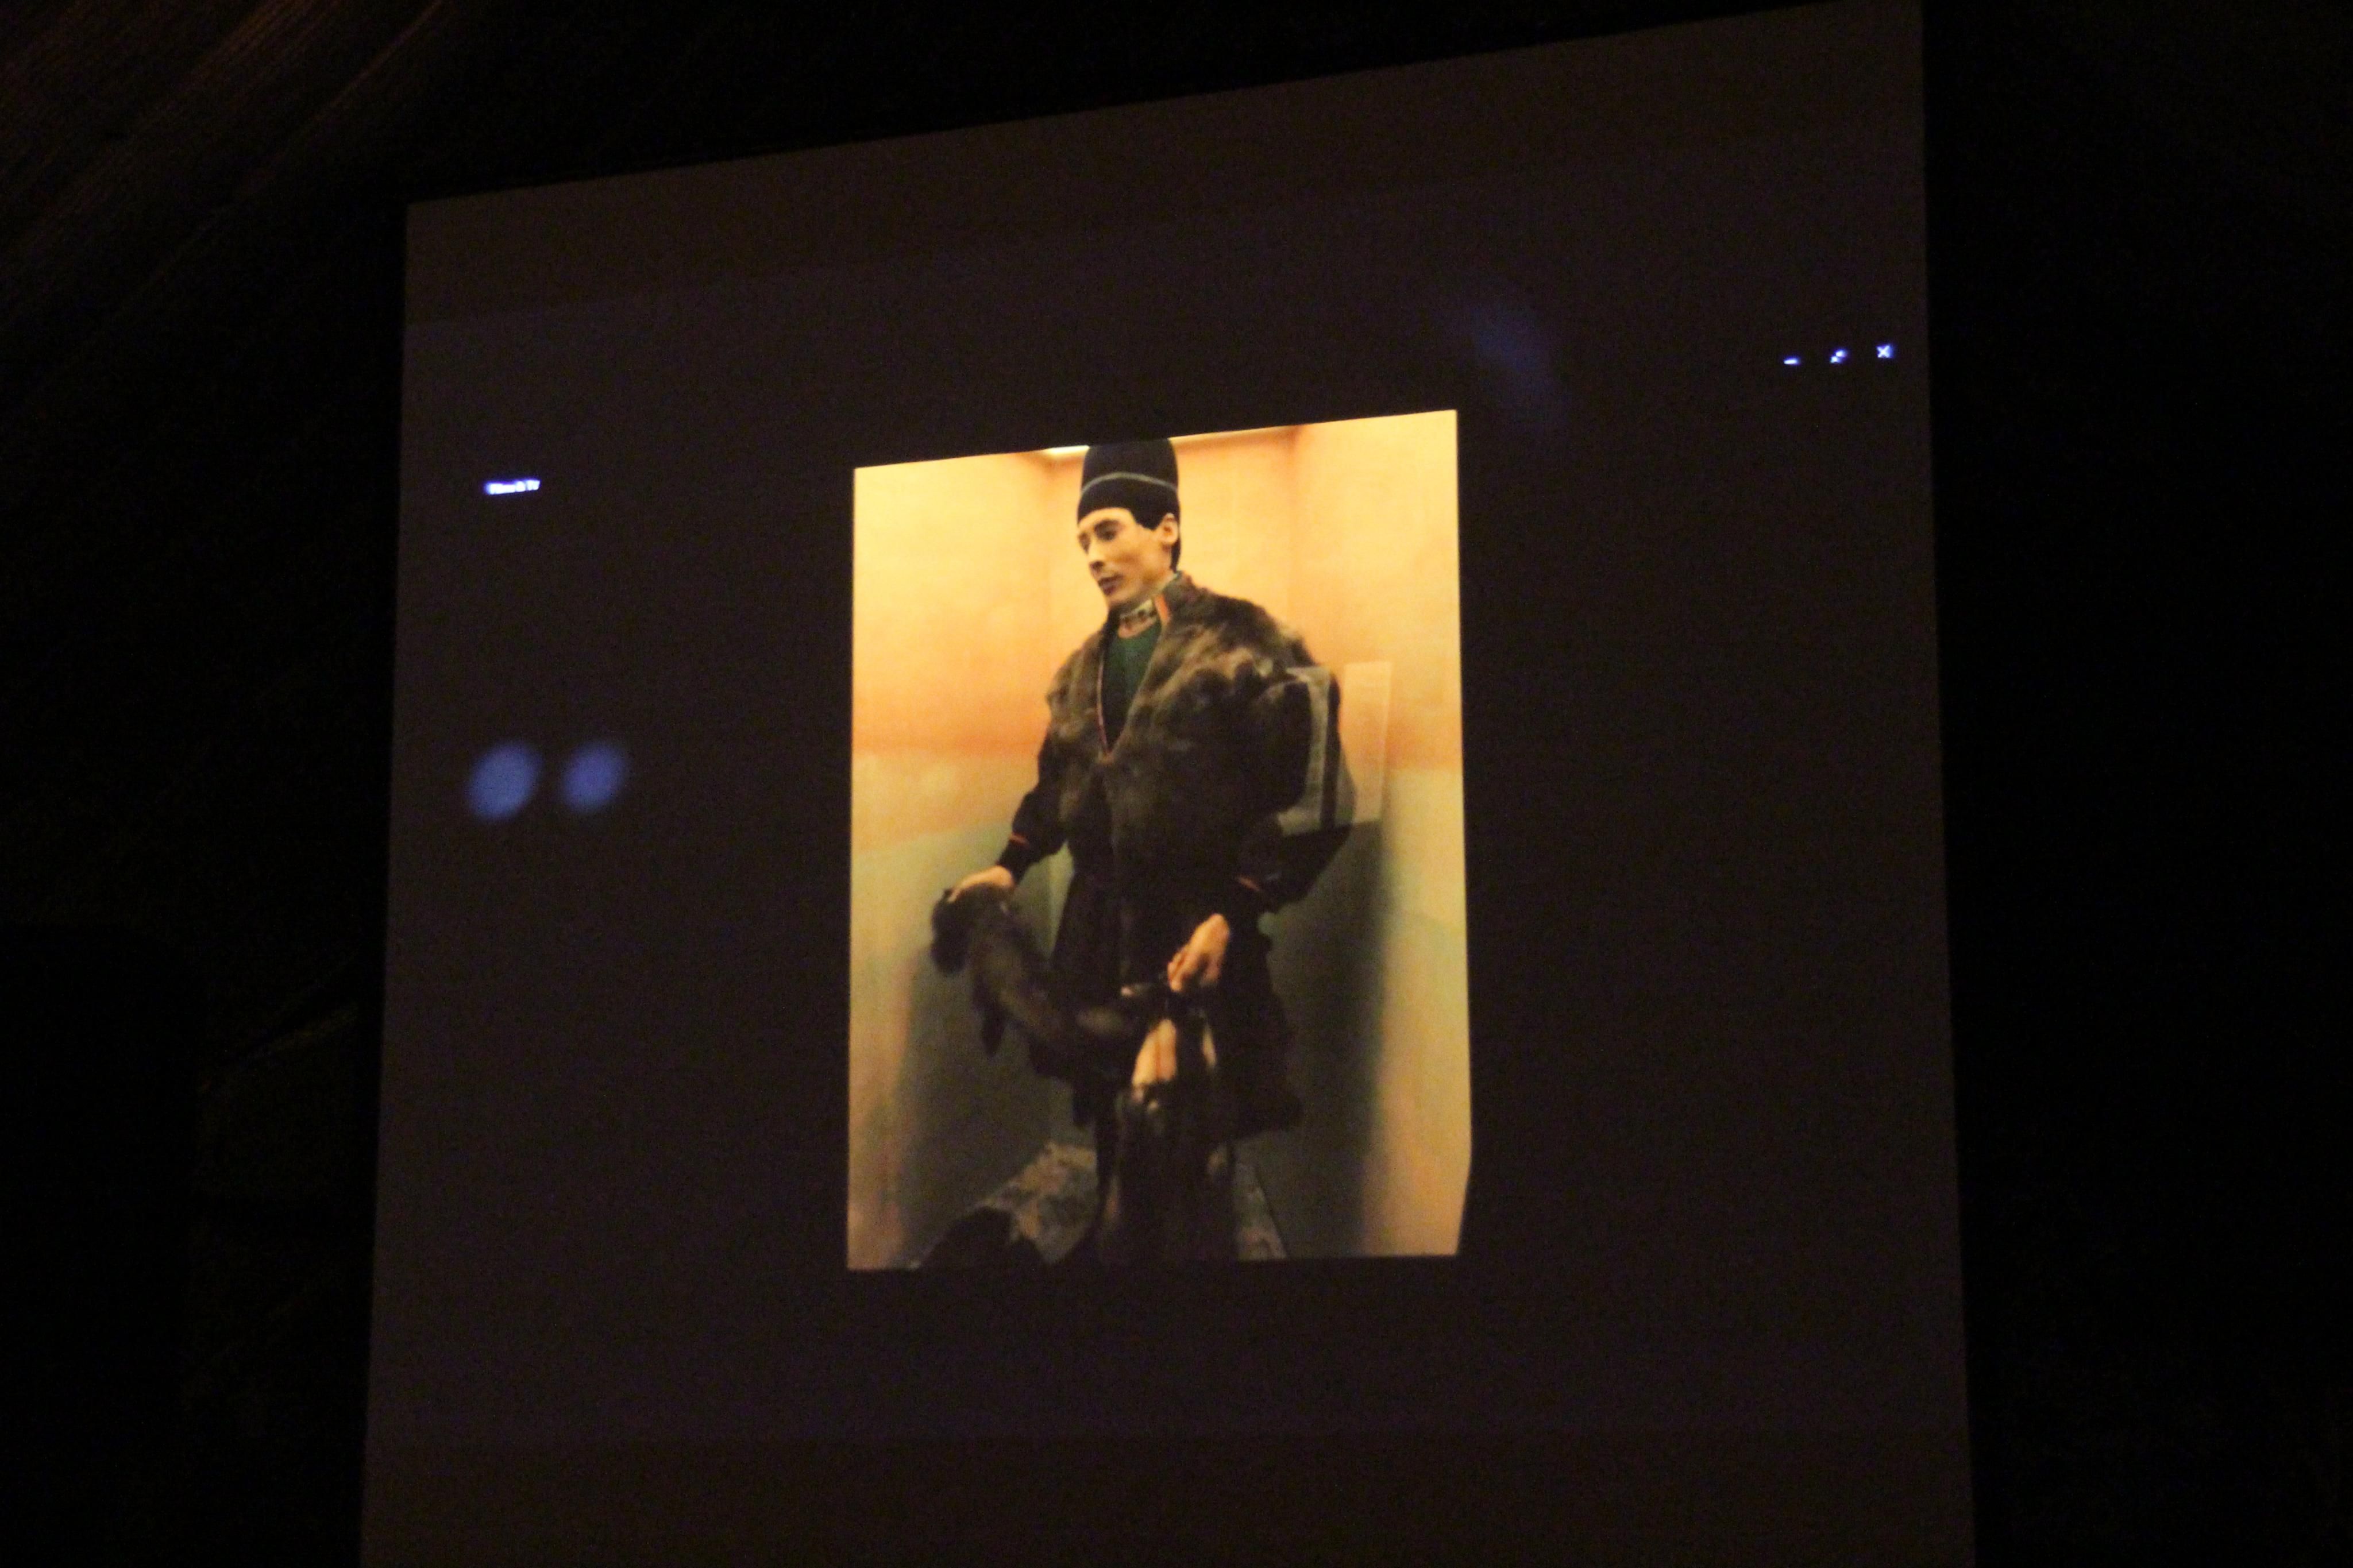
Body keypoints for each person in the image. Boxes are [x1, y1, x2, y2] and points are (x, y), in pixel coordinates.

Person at [947, 438, 1345, 1260]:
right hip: (1098, 927)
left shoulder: (1245, 646)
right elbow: (1054, 791)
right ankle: (1115, 1230)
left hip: (1201, 927)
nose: (1093, 556)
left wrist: (1236, 912)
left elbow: (1315, 797)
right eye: (1082, 540)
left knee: (1195, 1111)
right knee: (1113, 1101)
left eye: (1109, 530)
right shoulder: (1079, 672)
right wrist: (1008, 864)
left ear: (1167, 528)